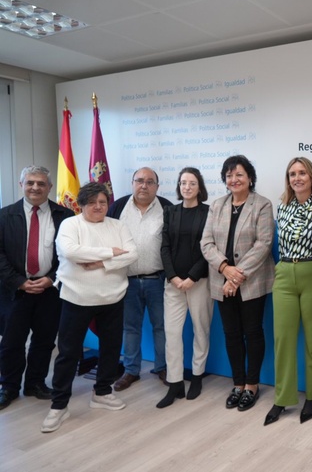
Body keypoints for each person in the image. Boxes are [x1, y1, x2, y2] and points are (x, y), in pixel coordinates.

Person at [41, 182, 137, 433]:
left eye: (103, 202)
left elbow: (132, 254)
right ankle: (59, 406)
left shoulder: (118, 225)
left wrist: (100, 264)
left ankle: (102, 393)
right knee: (68, 353)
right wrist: (110, 253)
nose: (98, 207)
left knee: (111, 349)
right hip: (77, 298)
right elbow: (71, 252)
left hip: (113, 298)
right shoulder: (70, 225)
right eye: (92, 202)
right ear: (81, 205)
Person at [201, 155, 274, 411]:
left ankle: (252, 384)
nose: (234, 179)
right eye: (229, 175)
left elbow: (263, 244)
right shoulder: (216, 206)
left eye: (239, 175)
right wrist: (225, 269)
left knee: (252, 332)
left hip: (252, 280)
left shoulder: (262, 205)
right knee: (231, 333)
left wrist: (237, 275)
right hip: (222, 280)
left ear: (250, 178)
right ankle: (238, 383)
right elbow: (206, 243)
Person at [0, 166, 74, 410]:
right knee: (12, 341)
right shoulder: (4, 216)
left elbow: (69, 255)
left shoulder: (65, 215)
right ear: (22, 184)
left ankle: (35, 383)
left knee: (44, 340)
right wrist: (19, 281)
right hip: (14, 292)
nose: (35, 187)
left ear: (49, 188)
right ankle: (9, 386)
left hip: (49, 291)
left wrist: (52, 278)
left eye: (41, 183)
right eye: (30, 182)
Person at [264, 157, 312, 426]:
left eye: (302, 173)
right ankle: (282, 398)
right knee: (283, 339)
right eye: (292, 174)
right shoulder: (283, 208)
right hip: (284, 275)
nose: (297, 178)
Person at [109, 167, 172, 391]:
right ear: (132, 183)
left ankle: (163, 367)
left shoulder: (167, 208)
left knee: (161, 327)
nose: (144, 185)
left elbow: (174, 244)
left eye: (149, 181)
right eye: (139, 181)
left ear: (157, 185)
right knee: (130, 328)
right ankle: (131, 370)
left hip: (158, 280)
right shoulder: (118, 206)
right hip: (127, 281)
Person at [156, 167, 212, 408]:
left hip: (200, 282)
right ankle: (175, 383)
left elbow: (209, 248)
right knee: (172, 333)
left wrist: (192, 276)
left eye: (192, 183)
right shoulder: (170, 212)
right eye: (183, 183)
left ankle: (197, 377)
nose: (187, 187)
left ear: (200, 187)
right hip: (173, 284)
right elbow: (165, 246)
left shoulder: (209, 212)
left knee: (201, 330)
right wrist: (173, 277)